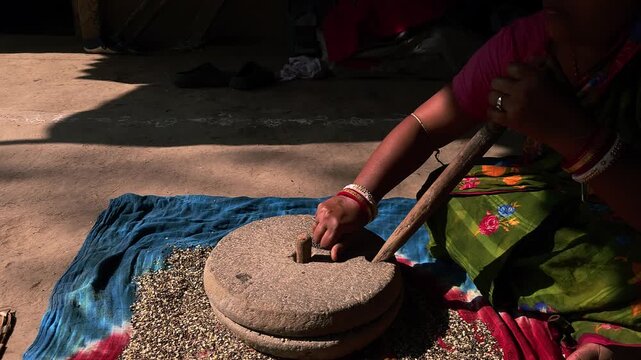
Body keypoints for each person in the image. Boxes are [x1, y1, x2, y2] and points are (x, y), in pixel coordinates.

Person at [312, 1, 641, 358]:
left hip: (625, 217)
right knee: (449, 193)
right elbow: (426, 126)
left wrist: (575, 136)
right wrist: (358, 196)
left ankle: (616, 335)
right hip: (550, 193)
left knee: (614, 266)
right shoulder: (527, 44)